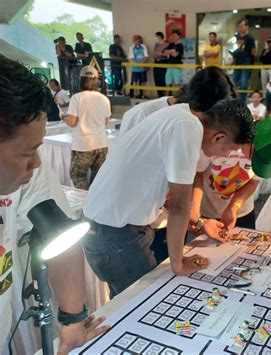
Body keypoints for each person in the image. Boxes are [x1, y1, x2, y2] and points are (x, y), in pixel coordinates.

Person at [82, 67, 255, 298]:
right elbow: (181, 205)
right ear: (219, 137)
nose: (220, 156)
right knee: (141, 306)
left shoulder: (181, 115)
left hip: (116, 229)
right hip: (116, 233)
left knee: (132, 305)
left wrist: (199, 223)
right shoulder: (188, 127)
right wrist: (178, 262)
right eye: (227, 150)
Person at [0, 54, 108, 354]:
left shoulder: (27, 171)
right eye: (26, 153)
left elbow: (59, 232)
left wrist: (72, 320)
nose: (36, 163)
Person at [191, 117, 271, 237]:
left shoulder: (269, 151)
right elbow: (198, 175)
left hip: (242, 212)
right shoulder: (221, 140)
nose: (251, 161)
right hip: (208, 211)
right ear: (249, 140)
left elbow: (253, 182)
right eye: (254, 156)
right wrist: (194, 212)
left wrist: (234, 206)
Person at [62, 66, 111, 190]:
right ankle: (95, 201)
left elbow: (72, 122)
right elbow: (105, 122)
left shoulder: (77, 98)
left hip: (83, 145)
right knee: (98, 178)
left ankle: (85, 202)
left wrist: (63, 117)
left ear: (81, 80)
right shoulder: (104, 99)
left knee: (78, 176)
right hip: (101, 143)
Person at [232, 19, 256, 102]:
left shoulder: (250, 38)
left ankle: (242, 101)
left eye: (242, 26)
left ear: (246, 26)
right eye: (239, 27)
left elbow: (253, 51)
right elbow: (236, 48)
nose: (240, 28)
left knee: (244, 83)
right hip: (238, 62)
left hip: (246, 62)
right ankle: (234, 99)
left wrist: (250, 58)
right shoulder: (238, 36)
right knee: (233, 81)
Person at [128, 35, 149, 99]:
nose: (135, 41)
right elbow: (131, 58)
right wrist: (137, 64)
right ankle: (136, 94)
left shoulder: (143, 46)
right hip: (135, 68)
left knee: (142, 82)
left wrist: (141, 64)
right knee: (134, 81)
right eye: (134, 39)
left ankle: (142, 94)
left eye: (136, 39)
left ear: (139, 39)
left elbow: (146, 56)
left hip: (142, 67)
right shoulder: (131, 47)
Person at [152, 31, 169, 98]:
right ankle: (159, 94)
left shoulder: (167, 44)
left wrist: (160, 54)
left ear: (160, 37)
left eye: (156, 37)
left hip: (163, 63)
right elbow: (153, 54)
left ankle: (165, 95)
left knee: (163, 79)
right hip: (156, 63)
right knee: (157, 79)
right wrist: (157, 54)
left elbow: (167, 54)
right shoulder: (156, 45)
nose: (155, 39)